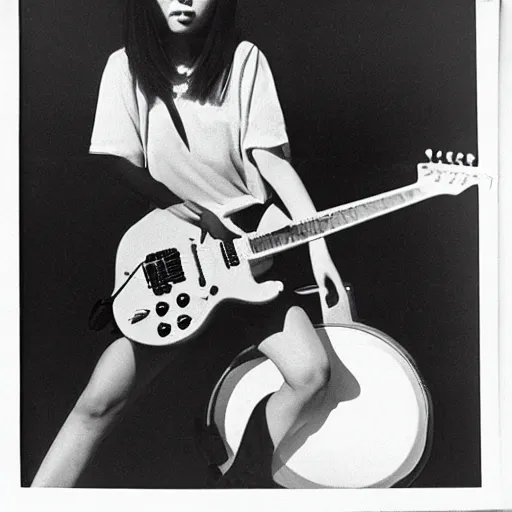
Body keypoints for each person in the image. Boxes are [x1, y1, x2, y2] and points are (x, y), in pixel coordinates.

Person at [31, 0, 350, 488]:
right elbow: (121, 163)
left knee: (311, 374)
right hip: (181, 261)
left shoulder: (244, 61)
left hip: (250, 257)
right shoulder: (125, 67)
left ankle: (235, 488)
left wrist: (319, 247)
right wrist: (193, 213)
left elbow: (274, 164)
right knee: (97, 404)